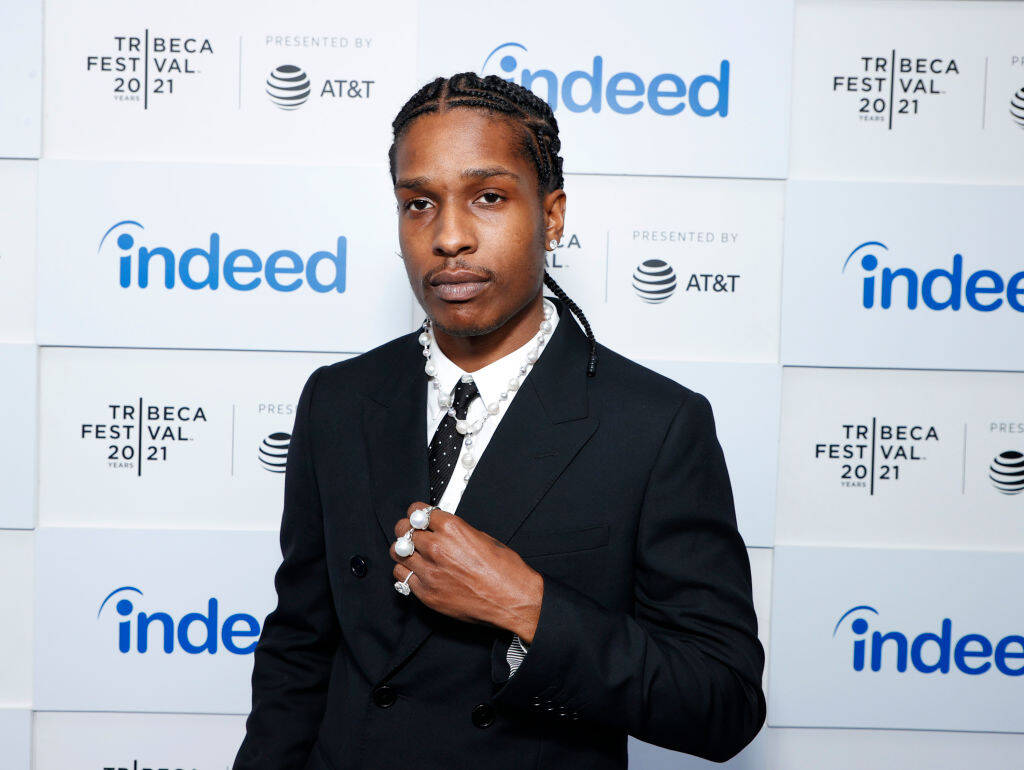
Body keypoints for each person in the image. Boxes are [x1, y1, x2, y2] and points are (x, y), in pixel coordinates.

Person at [232, 71, 765, 770]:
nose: (449, 237)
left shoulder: (655, 427)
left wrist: (530, 608)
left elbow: (722, 702)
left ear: (550, 215)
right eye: (418, 203)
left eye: (488, 197)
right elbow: (297, 655)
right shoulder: (338, 399)